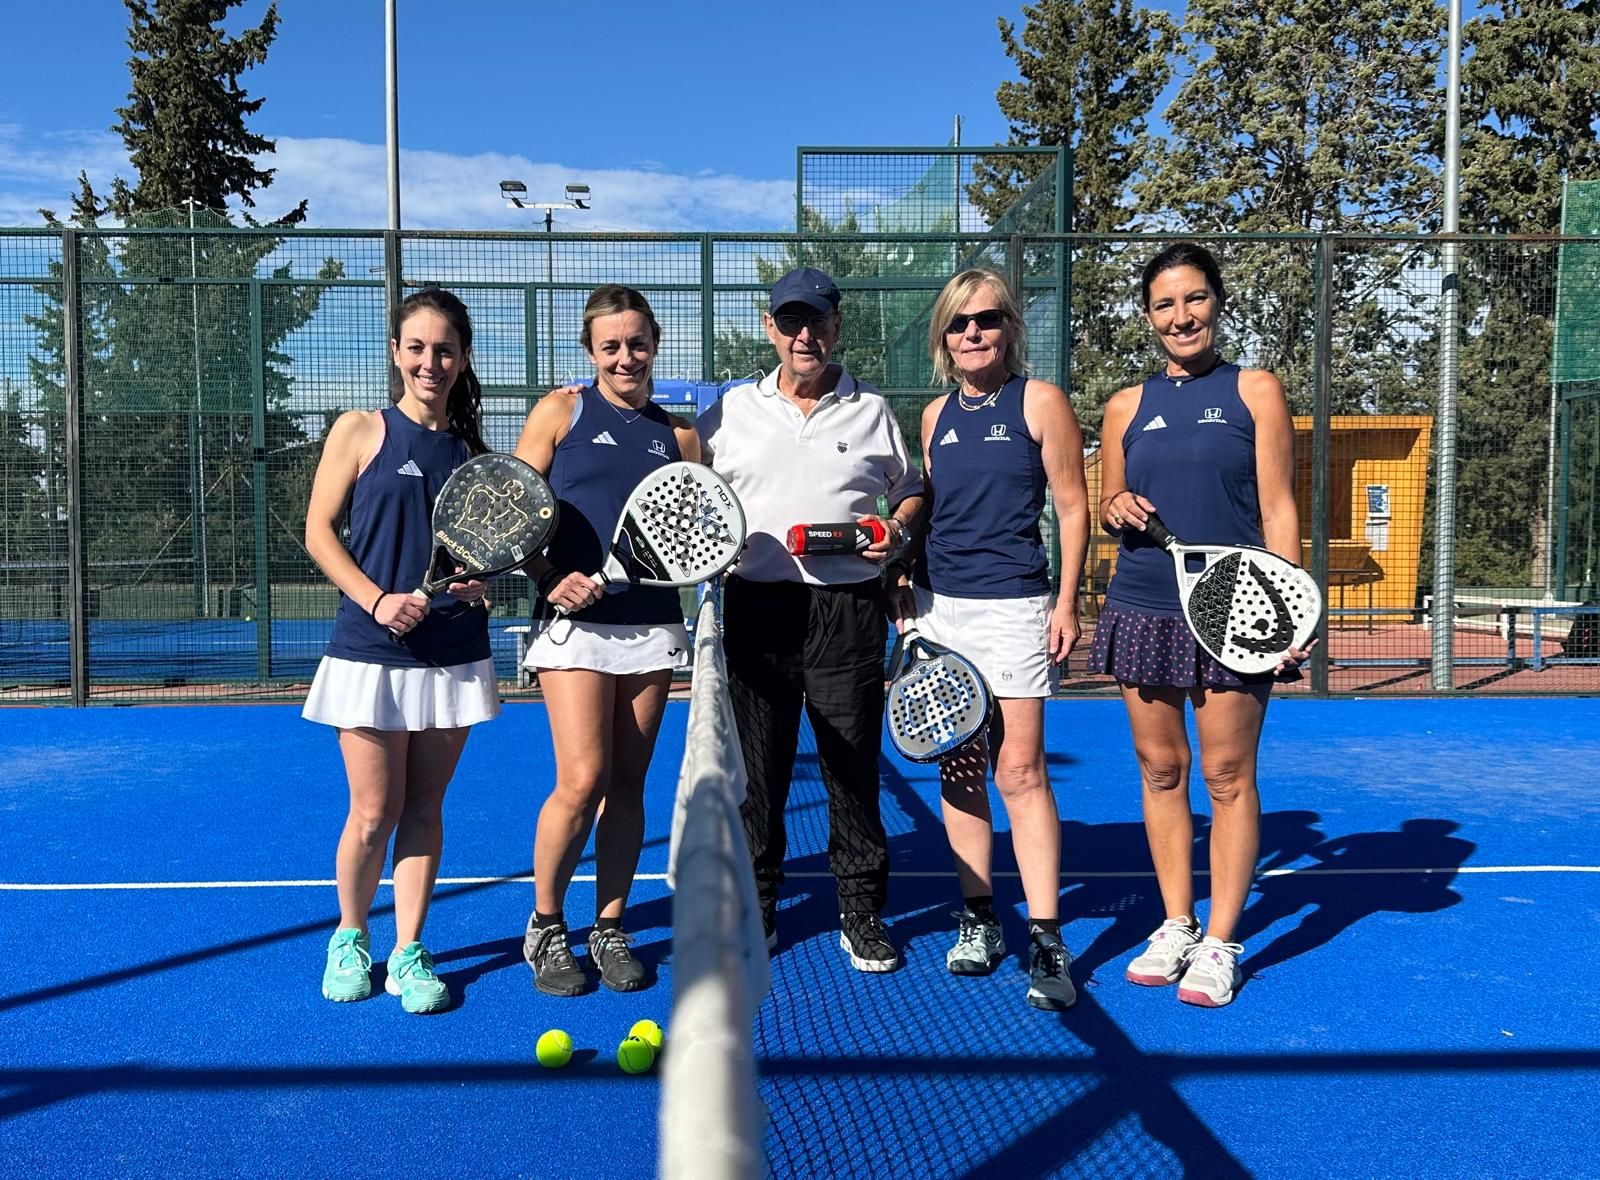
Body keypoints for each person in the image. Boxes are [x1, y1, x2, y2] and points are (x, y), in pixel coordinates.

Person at [1088, 241, 1311, 1008]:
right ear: (1148, 317)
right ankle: (1176, 922)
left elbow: (1280, 507)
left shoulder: (1256, 390)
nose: (1181, 316)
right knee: (1160, 772)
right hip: (1144, 602)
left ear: (1216, 302)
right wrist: (1114, 505)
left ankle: (1221, 942)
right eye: (1164, 304)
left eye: (1194, 299)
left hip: (1237, 608)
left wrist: (1291, 608)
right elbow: (1113, 502)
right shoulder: (1124, 405)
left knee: (1226, 776)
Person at [697, 266, 924, 972]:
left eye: (818, 321)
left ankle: (860, 909)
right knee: (758, 775)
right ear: (770, 328)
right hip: (758, 605)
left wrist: (898, 533)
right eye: (791, 321)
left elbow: (909, 496)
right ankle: (759, 908)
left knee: (851, 766)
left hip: (848, 609)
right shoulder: (729, 412)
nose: (805, 335)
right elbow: (691, 492)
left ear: (836, 326)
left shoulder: (873, 411)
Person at [892, 267, 1089, 1011]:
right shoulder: (934, 415)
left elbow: (1073, 509)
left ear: (1009, 328)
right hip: (943, 611)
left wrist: (1065, 601)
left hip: (1015, 608)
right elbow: (930, 513)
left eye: (986, 320)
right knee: (959, 768)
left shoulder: (1041, 402)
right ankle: (979, 919)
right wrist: (903, 576)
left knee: (1022, 772)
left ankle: (1045, 934)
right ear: (944, 339)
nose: (972, 333)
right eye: (958, 323)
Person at [302, 287, 499, 1015]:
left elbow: (478, 558)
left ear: (462, 358)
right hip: (369, 652)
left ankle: (410, 950)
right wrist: (378, 599)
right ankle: (350, 936)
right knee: (373, 812)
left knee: (424, 807)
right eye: (416, 348)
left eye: (444, 349)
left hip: (452, 651)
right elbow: (320, 531)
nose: (430, 362)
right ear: (395, 353)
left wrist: (478, 586)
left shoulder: (474, 454)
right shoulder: (358, 430)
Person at [513, 284, 700, 996]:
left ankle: (611, 924)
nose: (626, 357)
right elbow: (514, 512)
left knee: (627, 784)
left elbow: (691, 529)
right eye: (610, 346)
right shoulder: (560, 411)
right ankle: (547, 925)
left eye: (637, 342)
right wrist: (550, 574)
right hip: (573, 627)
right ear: (590, 352)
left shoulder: (680, 437)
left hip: (651, 625)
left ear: (655, 344)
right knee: (582, 779)